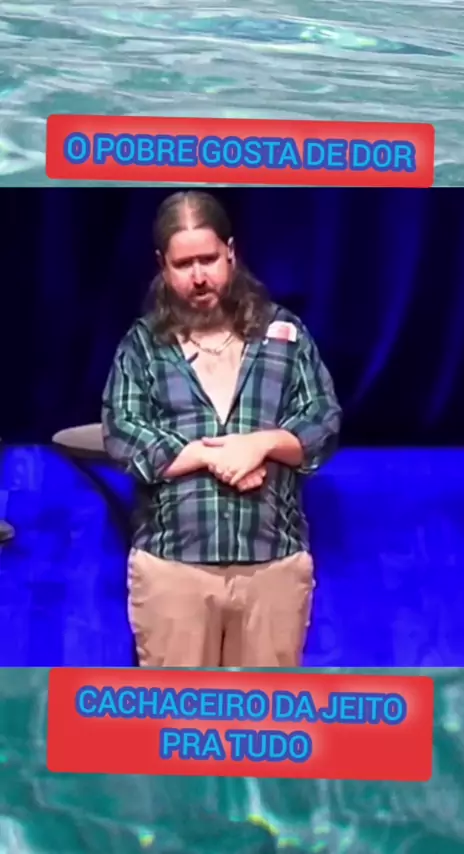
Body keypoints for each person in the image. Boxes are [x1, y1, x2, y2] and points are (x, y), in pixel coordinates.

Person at [102, 190, 341, 668]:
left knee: (264, 711)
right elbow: (123, 433)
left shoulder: (284, 335)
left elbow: (323, 421)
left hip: (272, 566)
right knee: (178, 713)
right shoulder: (142, 346)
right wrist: (212, 455)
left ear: (230, 252)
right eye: (183, 264)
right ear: (162, 265)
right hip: (174, 570)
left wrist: (262, 444)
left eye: (208, 259)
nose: (198, 277)